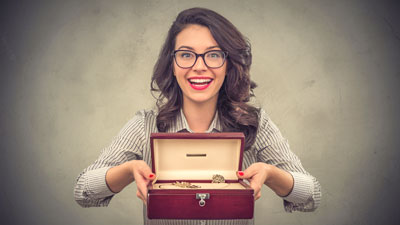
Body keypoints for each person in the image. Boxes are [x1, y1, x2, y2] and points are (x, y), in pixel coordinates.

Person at [74, 7, 321, 225]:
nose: (199, 66)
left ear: (229, 63)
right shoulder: (144, 125)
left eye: (213, 54)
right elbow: (83, 191)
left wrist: (271, 174)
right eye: (186, 54)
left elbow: (311, 196)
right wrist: (127, 170)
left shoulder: (256, 125)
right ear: (172, 63)